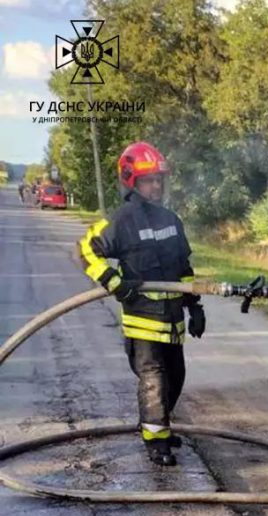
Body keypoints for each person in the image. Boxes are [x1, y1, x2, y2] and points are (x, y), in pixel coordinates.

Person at [77, 142, 206, 466]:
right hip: (143, 322)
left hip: (173, 322)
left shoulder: (171, 220)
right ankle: (156, 441)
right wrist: (113, 281)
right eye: (149, 180)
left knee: (176, 377)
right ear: (131, 181)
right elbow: (86, 250)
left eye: (159, 180)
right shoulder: (121, 220)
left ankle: (159, 427)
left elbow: (183, 268)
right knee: (154, 380)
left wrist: (194, 306)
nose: (156, 186)